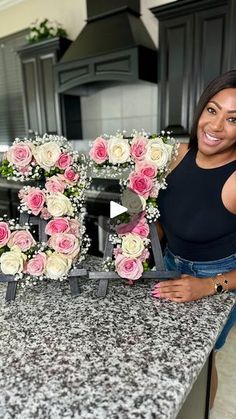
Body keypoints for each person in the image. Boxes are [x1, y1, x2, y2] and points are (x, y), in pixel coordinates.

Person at [152, 69, 236, 407]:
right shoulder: (179, 154)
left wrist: (208, 286)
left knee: (198, 365)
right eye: (212, 110)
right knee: (164, 352)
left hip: (218, 279)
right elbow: (165, 218)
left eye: (234, 119)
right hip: (170, 263)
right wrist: (132, 232)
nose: (215, 127)